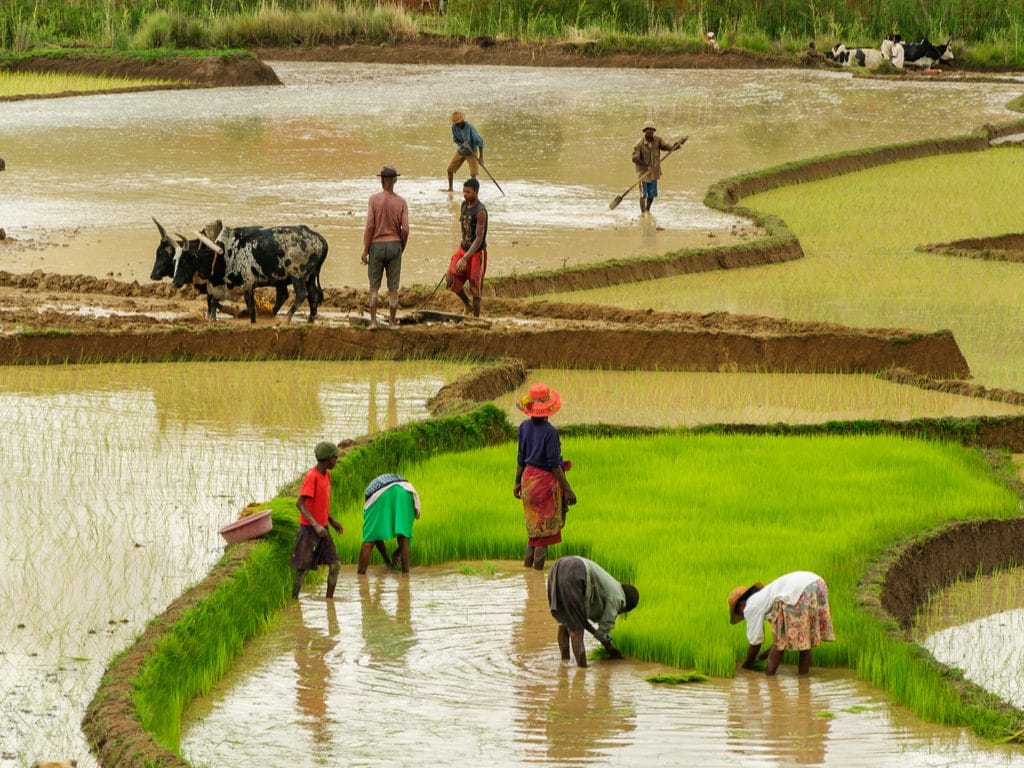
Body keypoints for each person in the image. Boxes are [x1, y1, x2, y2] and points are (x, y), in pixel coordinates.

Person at [513, 382, 575, 570]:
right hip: (543, 485)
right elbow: (554, 465)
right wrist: (568, 489)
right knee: (543, 539)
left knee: (533, 536)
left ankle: (528, 579)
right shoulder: (550, 432)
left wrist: (517, 483)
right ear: (548, 408)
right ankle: (537, 580)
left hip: (527, 481)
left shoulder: (523, 427)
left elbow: (521, 459)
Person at [728, 570, 835, 675]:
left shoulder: (750, 606)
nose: (743, 616)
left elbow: (756, 643)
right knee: (805, 640)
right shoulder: (766, 599)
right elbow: (781, 637)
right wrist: (761, 657)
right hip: (817, 583)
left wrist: (746, 666)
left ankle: (769, 678)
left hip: (799, 591)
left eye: (739, 613)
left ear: (741, 605)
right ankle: (804, 682)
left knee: (780, 643)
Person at [547, 555, 640, 667]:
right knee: (576, 630)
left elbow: (583, 621)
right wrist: (612, 650)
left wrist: (594, 632)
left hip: (557, 567)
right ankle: (582, 671)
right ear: (626, 607)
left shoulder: (612, 585)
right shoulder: (619, 598)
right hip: (576, 570)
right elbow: (603, 632)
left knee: (564, 623)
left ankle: (564, 664)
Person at [291, 441, 344, 599]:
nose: (336, 460)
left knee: (335, 565)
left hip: (323, 529)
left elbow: (321, 504)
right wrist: (315, 525)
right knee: (302, 570)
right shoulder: (312, 477)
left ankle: (329, 602)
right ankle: (294, 601)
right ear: (328, 459)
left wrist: (332, 521)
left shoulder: (327, 475)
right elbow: (299, 503)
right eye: (335, 458)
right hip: (309, 530)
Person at [361, 165, 409, 330]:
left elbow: (369, 226)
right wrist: (401, 247)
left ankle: (373, 322)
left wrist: (365, 250)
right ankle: (392, 322)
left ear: (382, 181)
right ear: (395, 180)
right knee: (393, 289)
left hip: (376, 246)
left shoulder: (374, 200)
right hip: (395, 244)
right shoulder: (401, 202)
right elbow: (406, 229)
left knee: (374, 287)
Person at [358, 472, 421, 574]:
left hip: (380, 493)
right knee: (403, 538)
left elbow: (374, 536)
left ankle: (360, 578)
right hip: (406, 491)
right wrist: (388, 559)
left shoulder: (368, 502)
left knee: (368, 543)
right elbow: (378, 538)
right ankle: (405, 578)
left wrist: (389, 557)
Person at [445, 177, 488, 317]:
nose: (465, 194)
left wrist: (465, 258)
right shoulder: (464, 205)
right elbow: (464, 227)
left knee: (475, 289)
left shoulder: (481, 211)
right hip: (463, 248)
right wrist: (460, 254)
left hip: (476, 253)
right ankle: (467, 305)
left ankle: (476, 319)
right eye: (463, 191)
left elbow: (479, 238)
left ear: (476, 191)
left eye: (468, 192)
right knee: (450, 277)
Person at [631, 120, 686, 215]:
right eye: (648, 130)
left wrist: (677, 144)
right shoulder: (639, 144)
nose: (650, 132)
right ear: (644, 131)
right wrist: (646, 166)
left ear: (654, 131)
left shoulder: (658, 140)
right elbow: (634, 159)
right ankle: (643, 213)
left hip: (654, 173)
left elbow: (668, 148)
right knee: (643, 195)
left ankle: (648, 210)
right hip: (643, 174)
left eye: (652, 130)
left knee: (651, 195)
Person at [446, 110, 484, 192]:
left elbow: (480, 141)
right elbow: (455, 140)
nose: (457, 124)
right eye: (456, 122)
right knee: (449, 170)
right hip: (461, 151)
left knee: (473, 174)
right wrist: (462, 144)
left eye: (458, 122)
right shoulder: (454, 127)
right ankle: (450, 188)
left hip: (471, 152)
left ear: (462, 120)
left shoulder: (469, 127)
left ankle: (474, 191)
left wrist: (481, 157)